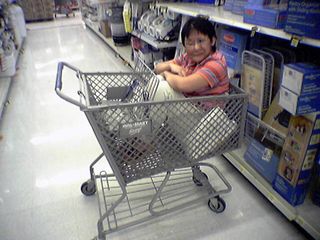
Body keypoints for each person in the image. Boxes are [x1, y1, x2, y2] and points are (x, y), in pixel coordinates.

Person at [154, 16, 229, 97]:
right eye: (190, 43)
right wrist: (170, 66)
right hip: (189, 104)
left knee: (162, 88)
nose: (196, 47)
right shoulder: (188, 58)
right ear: (184, 46)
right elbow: (157, 68)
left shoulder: (216, 64)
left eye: (200, 41)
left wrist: (165, 73)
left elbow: (183, 85)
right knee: (158, 81)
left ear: (212, 41)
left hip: (205, 109)